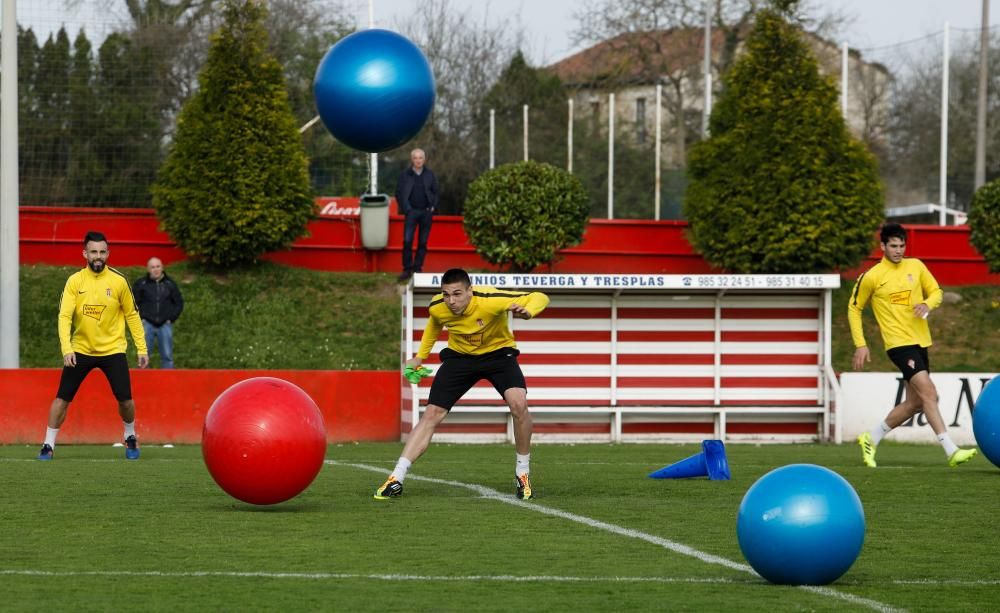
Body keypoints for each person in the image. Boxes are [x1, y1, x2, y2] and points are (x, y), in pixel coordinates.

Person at [375, 268, 550, 500]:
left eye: (457, 294)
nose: (451, 301)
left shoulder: (491, 300)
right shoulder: (438, 306)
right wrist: (419, 357)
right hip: (460, 358)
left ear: (470, 290)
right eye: (446, 294)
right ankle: (396, 478)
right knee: (431, 413)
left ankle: (522, 473)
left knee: (518, 404)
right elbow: (434, 324)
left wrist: (529, 311)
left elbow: (540, 296)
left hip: (498, 355)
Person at [848, 222, 977, 468]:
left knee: (916, 403)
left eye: (902, 245)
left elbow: (937, 292)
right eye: (893, 246)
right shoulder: (872, 276)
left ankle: (871, 438)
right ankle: (951, 451)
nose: (898, 250)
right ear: (882, 246)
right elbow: (854, 308)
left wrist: (928, 304)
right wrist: (860, 344)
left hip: (920, 341)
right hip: (898, 344)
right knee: (930, 393)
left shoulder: (916, 266)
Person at [37, 231, 149, 461]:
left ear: (108, 253)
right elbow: (64, 317)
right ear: (85, 254)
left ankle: (129, 436)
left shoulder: (118, 281)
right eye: (93, 252)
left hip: (113, 350)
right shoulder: (75, 281)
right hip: (80, 350)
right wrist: (67, 349)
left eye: (102, 252)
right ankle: (48, 444)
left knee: (125, 400)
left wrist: (142, 348)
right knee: (62, 398)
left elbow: (132, 315)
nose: (98, 256)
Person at [394, 148, 439, 283]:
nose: (418, 160)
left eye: (420, 158)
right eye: (415, 158)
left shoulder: (430, 175)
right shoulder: (405, 175)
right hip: (411, 212)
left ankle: (418, 269)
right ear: (412, 159)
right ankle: (407, 269)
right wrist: (407, 209)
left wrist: (432, 207)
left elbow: (436, 193)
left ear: (424, 160)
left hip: (426, 213)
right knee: (407, 241)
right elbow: (399, 193)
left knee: (423, 242)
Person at [133, 257, 185, 368]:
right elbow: (133, 303)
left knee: (167, 356)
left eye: (158, 266)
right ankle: (143, 380)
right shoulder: (141, 284)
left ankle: (168, 381)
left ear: (162, 268)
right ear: (148, 269)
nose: (155, 269)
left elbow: (179, 303)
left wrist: (171, 318)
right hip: (147, 323)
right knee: (143, 355)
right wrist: (141, 318)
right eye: (152, 267)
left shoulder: (170, 284)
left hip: (165, 324)